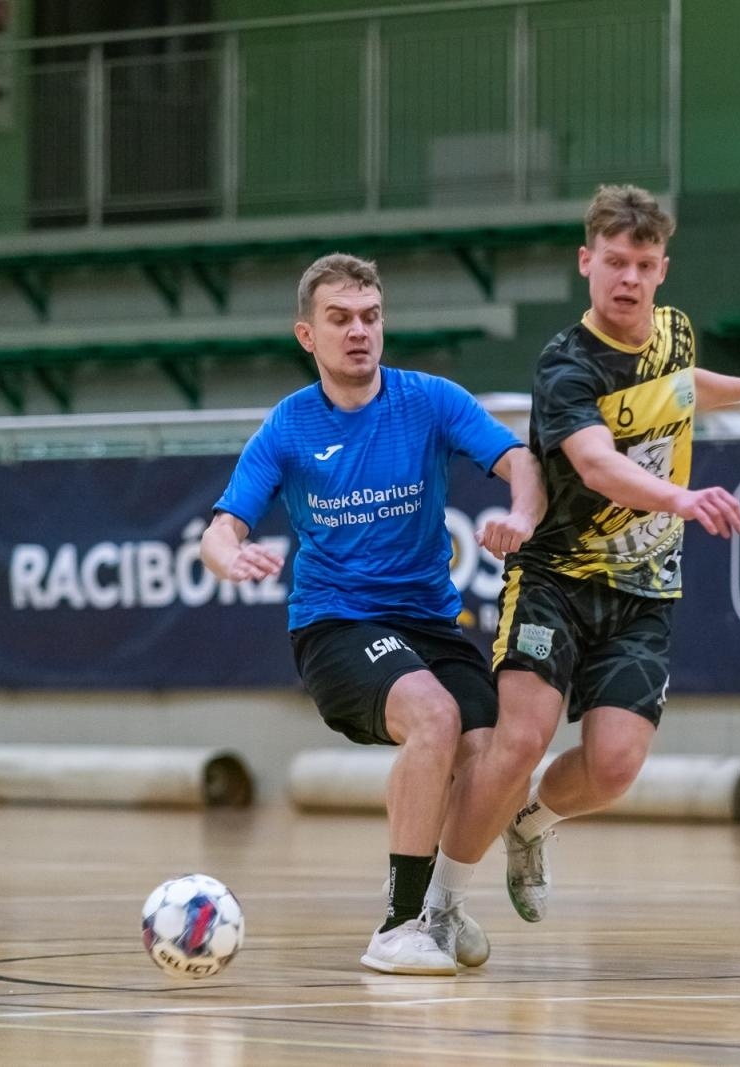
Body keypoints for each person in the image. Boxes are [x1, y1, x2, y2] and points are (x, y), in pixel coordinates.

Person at [433, 184, 740, 926]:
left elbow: (680, 388)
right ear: (586, 262)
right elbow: (598, 464)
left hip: (643, 588)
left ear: (662, 268)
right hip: (555, 578)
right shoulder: (565, 364)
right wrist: (682, 499)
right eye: (614, 261)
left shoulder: (674, 331)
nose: (628, 278)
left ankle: (529, 822)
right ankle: (437, 905)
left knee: (613, 768)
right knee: (519, 741)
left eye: (642, 263)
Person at [201, 253, 545, 977]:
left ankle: (440, 906)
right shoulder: (290, 427)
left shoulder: (428, 400)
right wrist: (227, 554)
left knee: (493, 750)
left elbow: (518, 457)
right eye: (340, 319)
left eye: (370, 316)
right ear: (308, 335)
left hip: (429, 622)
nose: (359, 331)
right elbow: (222, 524)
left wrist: (519, 509)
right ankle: (396, 927)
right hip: (335, 625)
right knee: (433, 717)